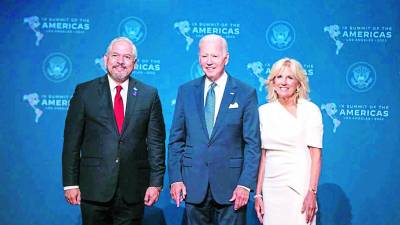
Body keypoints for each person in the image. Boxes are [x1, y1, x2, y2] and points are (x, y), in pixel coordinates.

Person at [62, 37, 166, 225]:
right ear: (105, 59)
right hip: (93, 187)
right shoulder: (85, 92)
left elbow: (156, 143)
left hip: (133, 190)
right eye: (115, 55)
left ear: (134, 63)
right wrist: (70, 183)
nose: (120, 61)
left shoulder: (148, 94)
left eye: (127, 57)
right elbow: (71, 142)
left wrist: (155, 183)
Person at [168, 34, 261, 225]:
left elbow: (252, 144)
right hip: (193, 185)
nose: (209, 62)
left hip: (232, 189)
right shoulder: (186, 91)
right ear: (198, 58)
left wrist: (245, 184)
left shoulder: (245, 93)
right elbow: (176, 140)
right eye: (204, 56)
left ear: (226, 58)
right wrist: (176, 178)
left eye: (215, 56)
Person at [254, 58, 323, 225]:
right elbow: (263, 156)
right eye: (279, 77)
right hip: (271, 188)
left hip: (300, 186)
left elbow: (316, 155)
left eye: (289, 78)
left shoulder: (310, 110)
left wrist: (312, 192)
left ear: (298, 83)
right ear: (272, 82)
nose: (283, 82)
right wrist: (258, 194)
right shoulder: (263, 112)